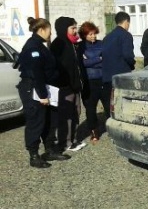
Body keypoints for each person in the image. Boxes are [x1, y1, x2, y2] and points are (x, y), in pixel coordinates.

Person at [16, 17, 67, 167]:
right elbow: (36, 72)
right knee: (36, 122)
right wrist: (43, 95)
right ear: (42, 29)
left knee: (51, 120)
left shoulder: (40, 45)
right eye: (49, 30)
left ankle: (50, 150)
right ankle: (34, 155)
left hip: (44, 87)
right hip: (34, 89)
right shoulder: (33, 47)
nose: (50, 34)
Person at [49, 16, 87, 153]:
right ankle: (66, 142)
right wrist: (64, 83)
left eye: (76, 27)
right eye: (72, 28)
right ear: (63, 29)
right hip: (65, 87)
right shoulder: (59, 44)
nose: (75, 31)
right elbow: (56, 67)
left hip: (75, 86)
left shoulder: (73, 44)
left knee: (76, 113)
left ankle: (73, 138)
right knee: (67, 116)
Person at [102, 11, 135, 120]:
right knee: (122, 103)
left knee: (110, 103)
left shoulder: (107, 37)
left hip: (107, 76)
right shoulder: (126, 36)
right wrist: (132, 64)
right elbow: (128, 55)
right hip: (121, 75)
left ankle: (110, 121)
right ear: (126, 22)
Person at [79, 21, 106, 142]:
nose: (93, 36)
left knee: (108, 105)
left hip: (103, 79)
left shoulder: (102, 44)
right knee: (90, 108)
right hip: (89, 82)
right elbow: (82, 63)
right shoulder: (80, 46)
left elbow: (106, 59)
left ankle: (111, 128)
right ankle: (94, 131)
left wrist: (91, 61)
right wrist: (99, 58)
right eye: (90, 34)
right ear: (84, 35)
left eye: (94, 33)